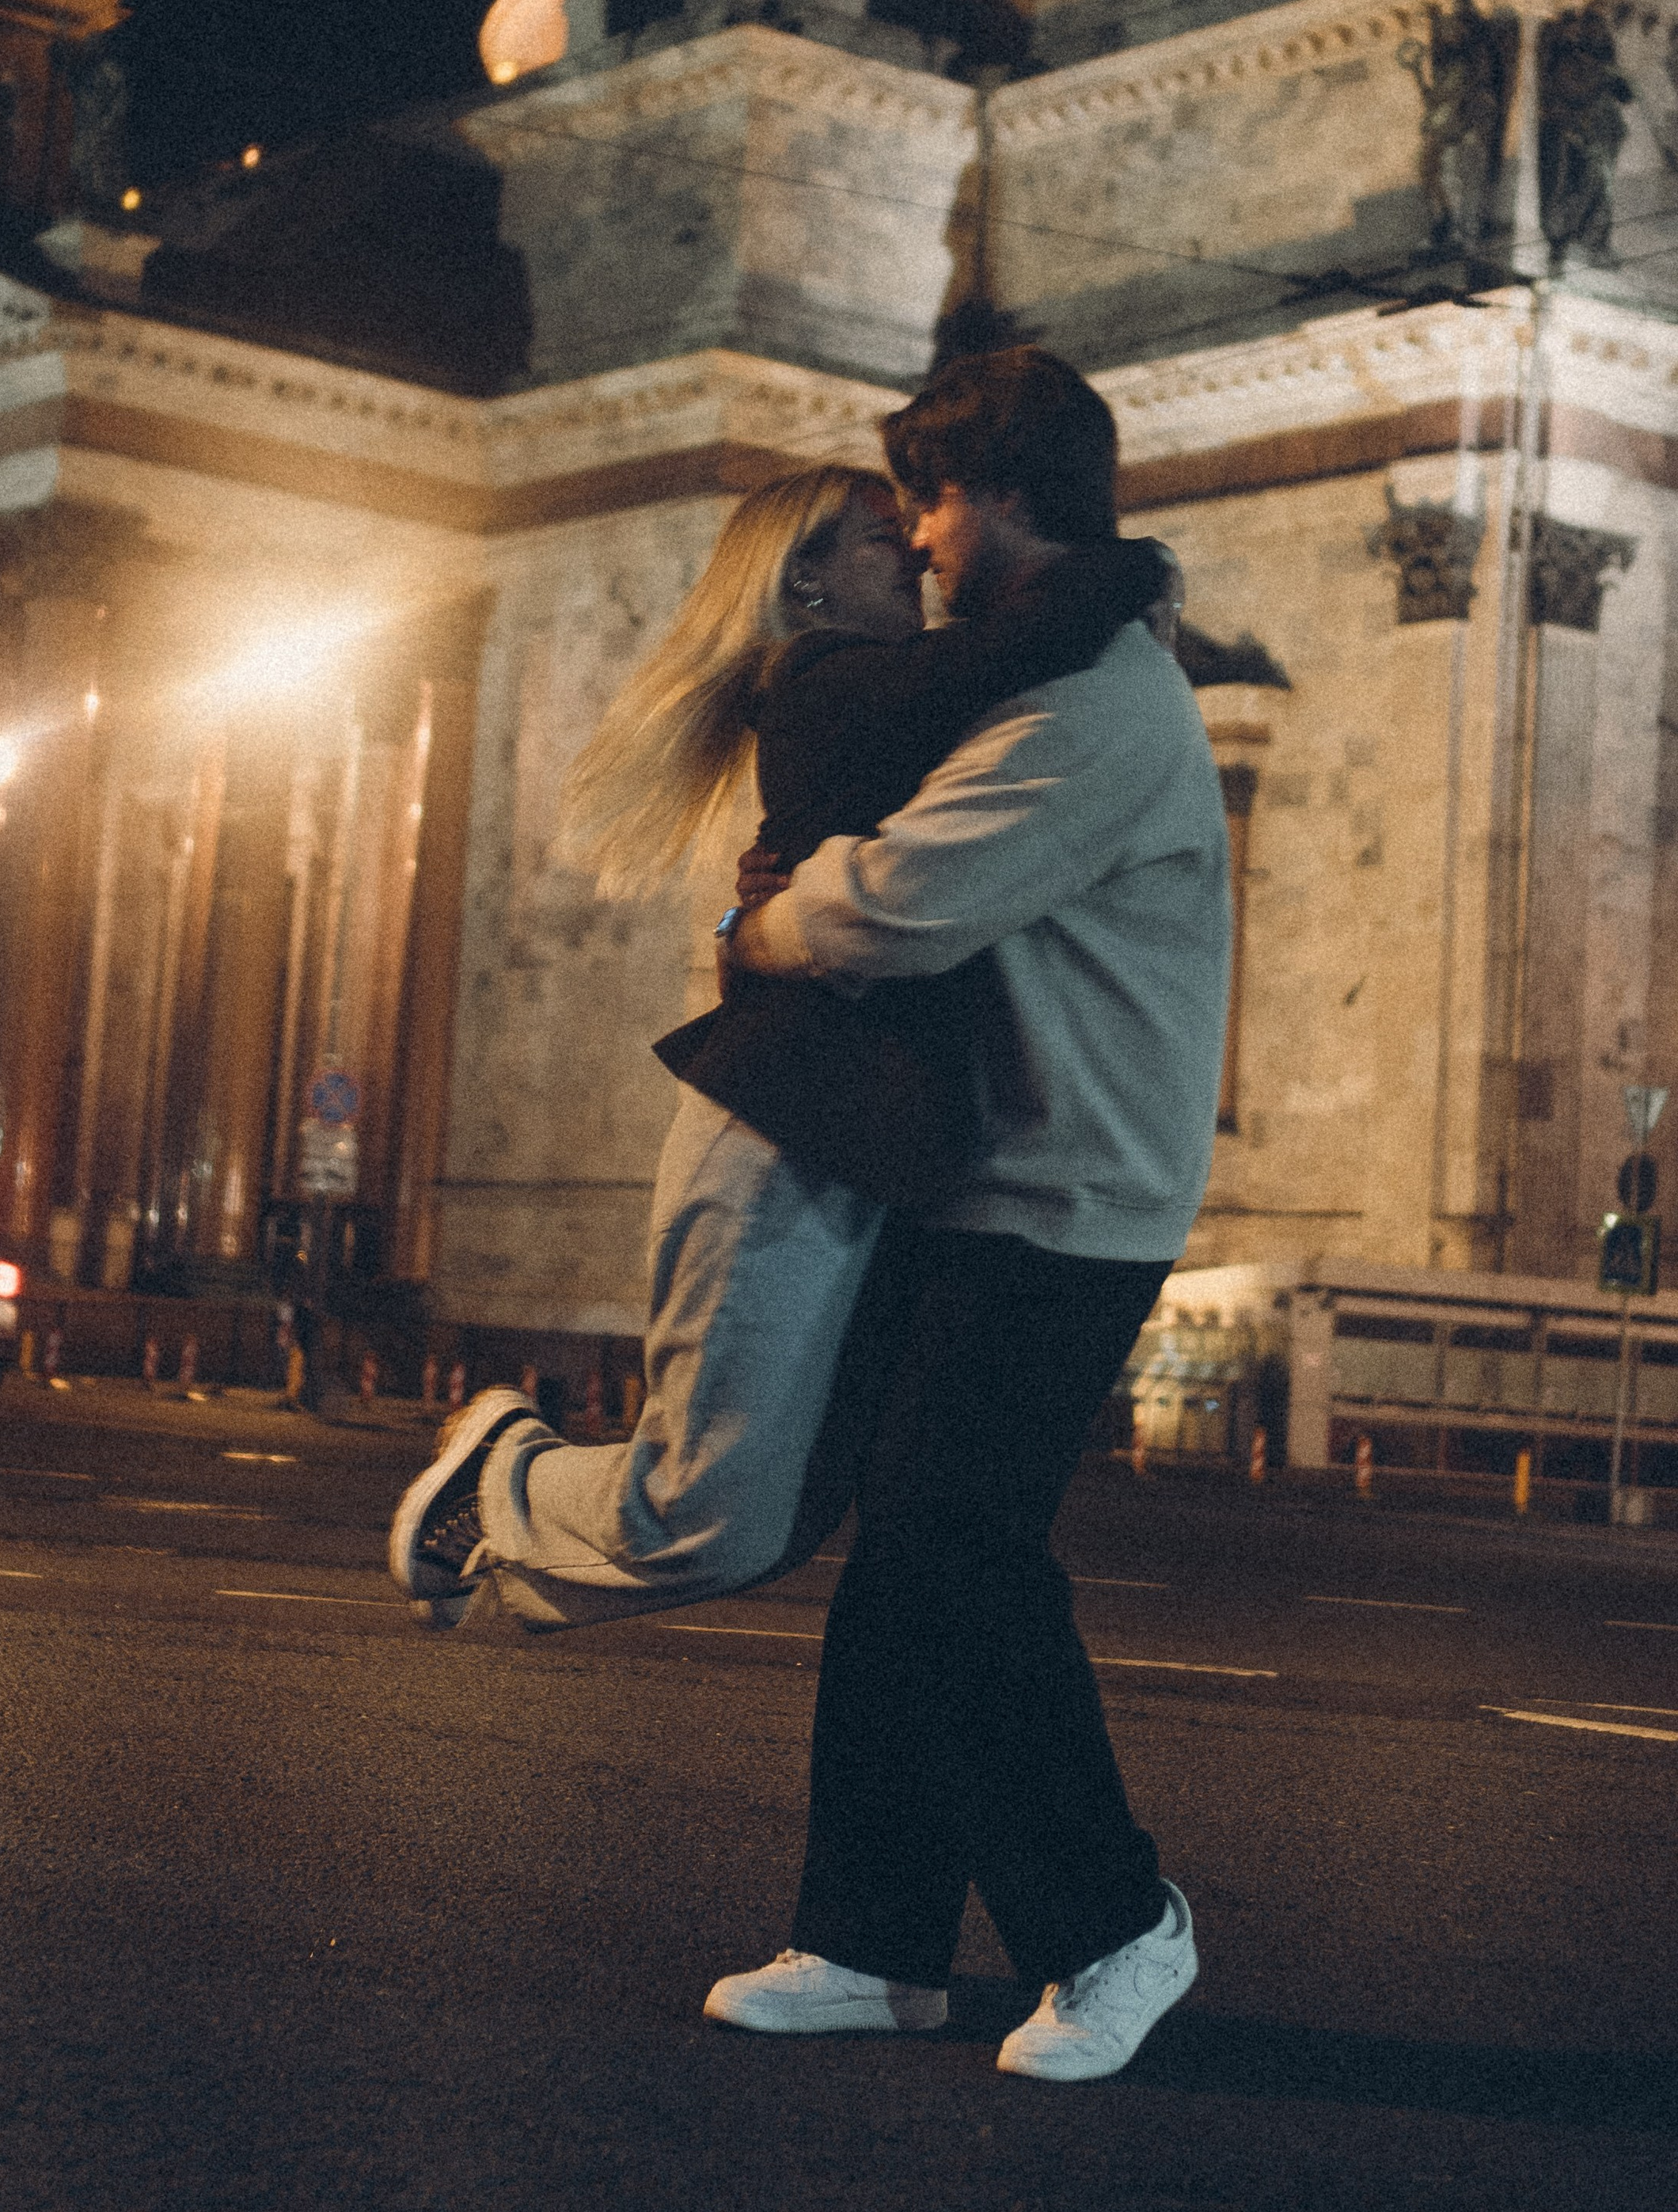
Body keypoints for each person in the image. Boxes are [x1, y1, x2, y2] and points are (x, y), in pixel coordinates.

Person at [701, 347, 1232, 2083]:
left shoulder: (1097, 706)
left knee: (953, 1548)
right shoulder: (1047, 672)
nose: (916, 547)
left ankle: (1111, 1924)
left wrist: (770, 924)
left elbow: (904, 907)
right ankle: (872, 1942)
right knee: (908, 1556)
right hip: (990, 1174)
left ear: (996, 492)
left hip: (1072, 1196)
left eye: (923, 500)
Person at [389, 455, 1167, 1634]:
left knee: (775, 1524)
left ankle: (501, 1529)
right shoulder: (818, 682)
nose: (910, 549)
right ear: (802, 582)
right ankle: (507, 1468)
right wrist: (1128, 573)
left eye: (909, 527)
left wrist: (751, 916)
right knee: (709, 1509)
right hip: (785, 1127)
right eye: (873, 537)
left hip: (887, 1151)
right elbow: (1006, 656)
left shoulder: (888, 695)